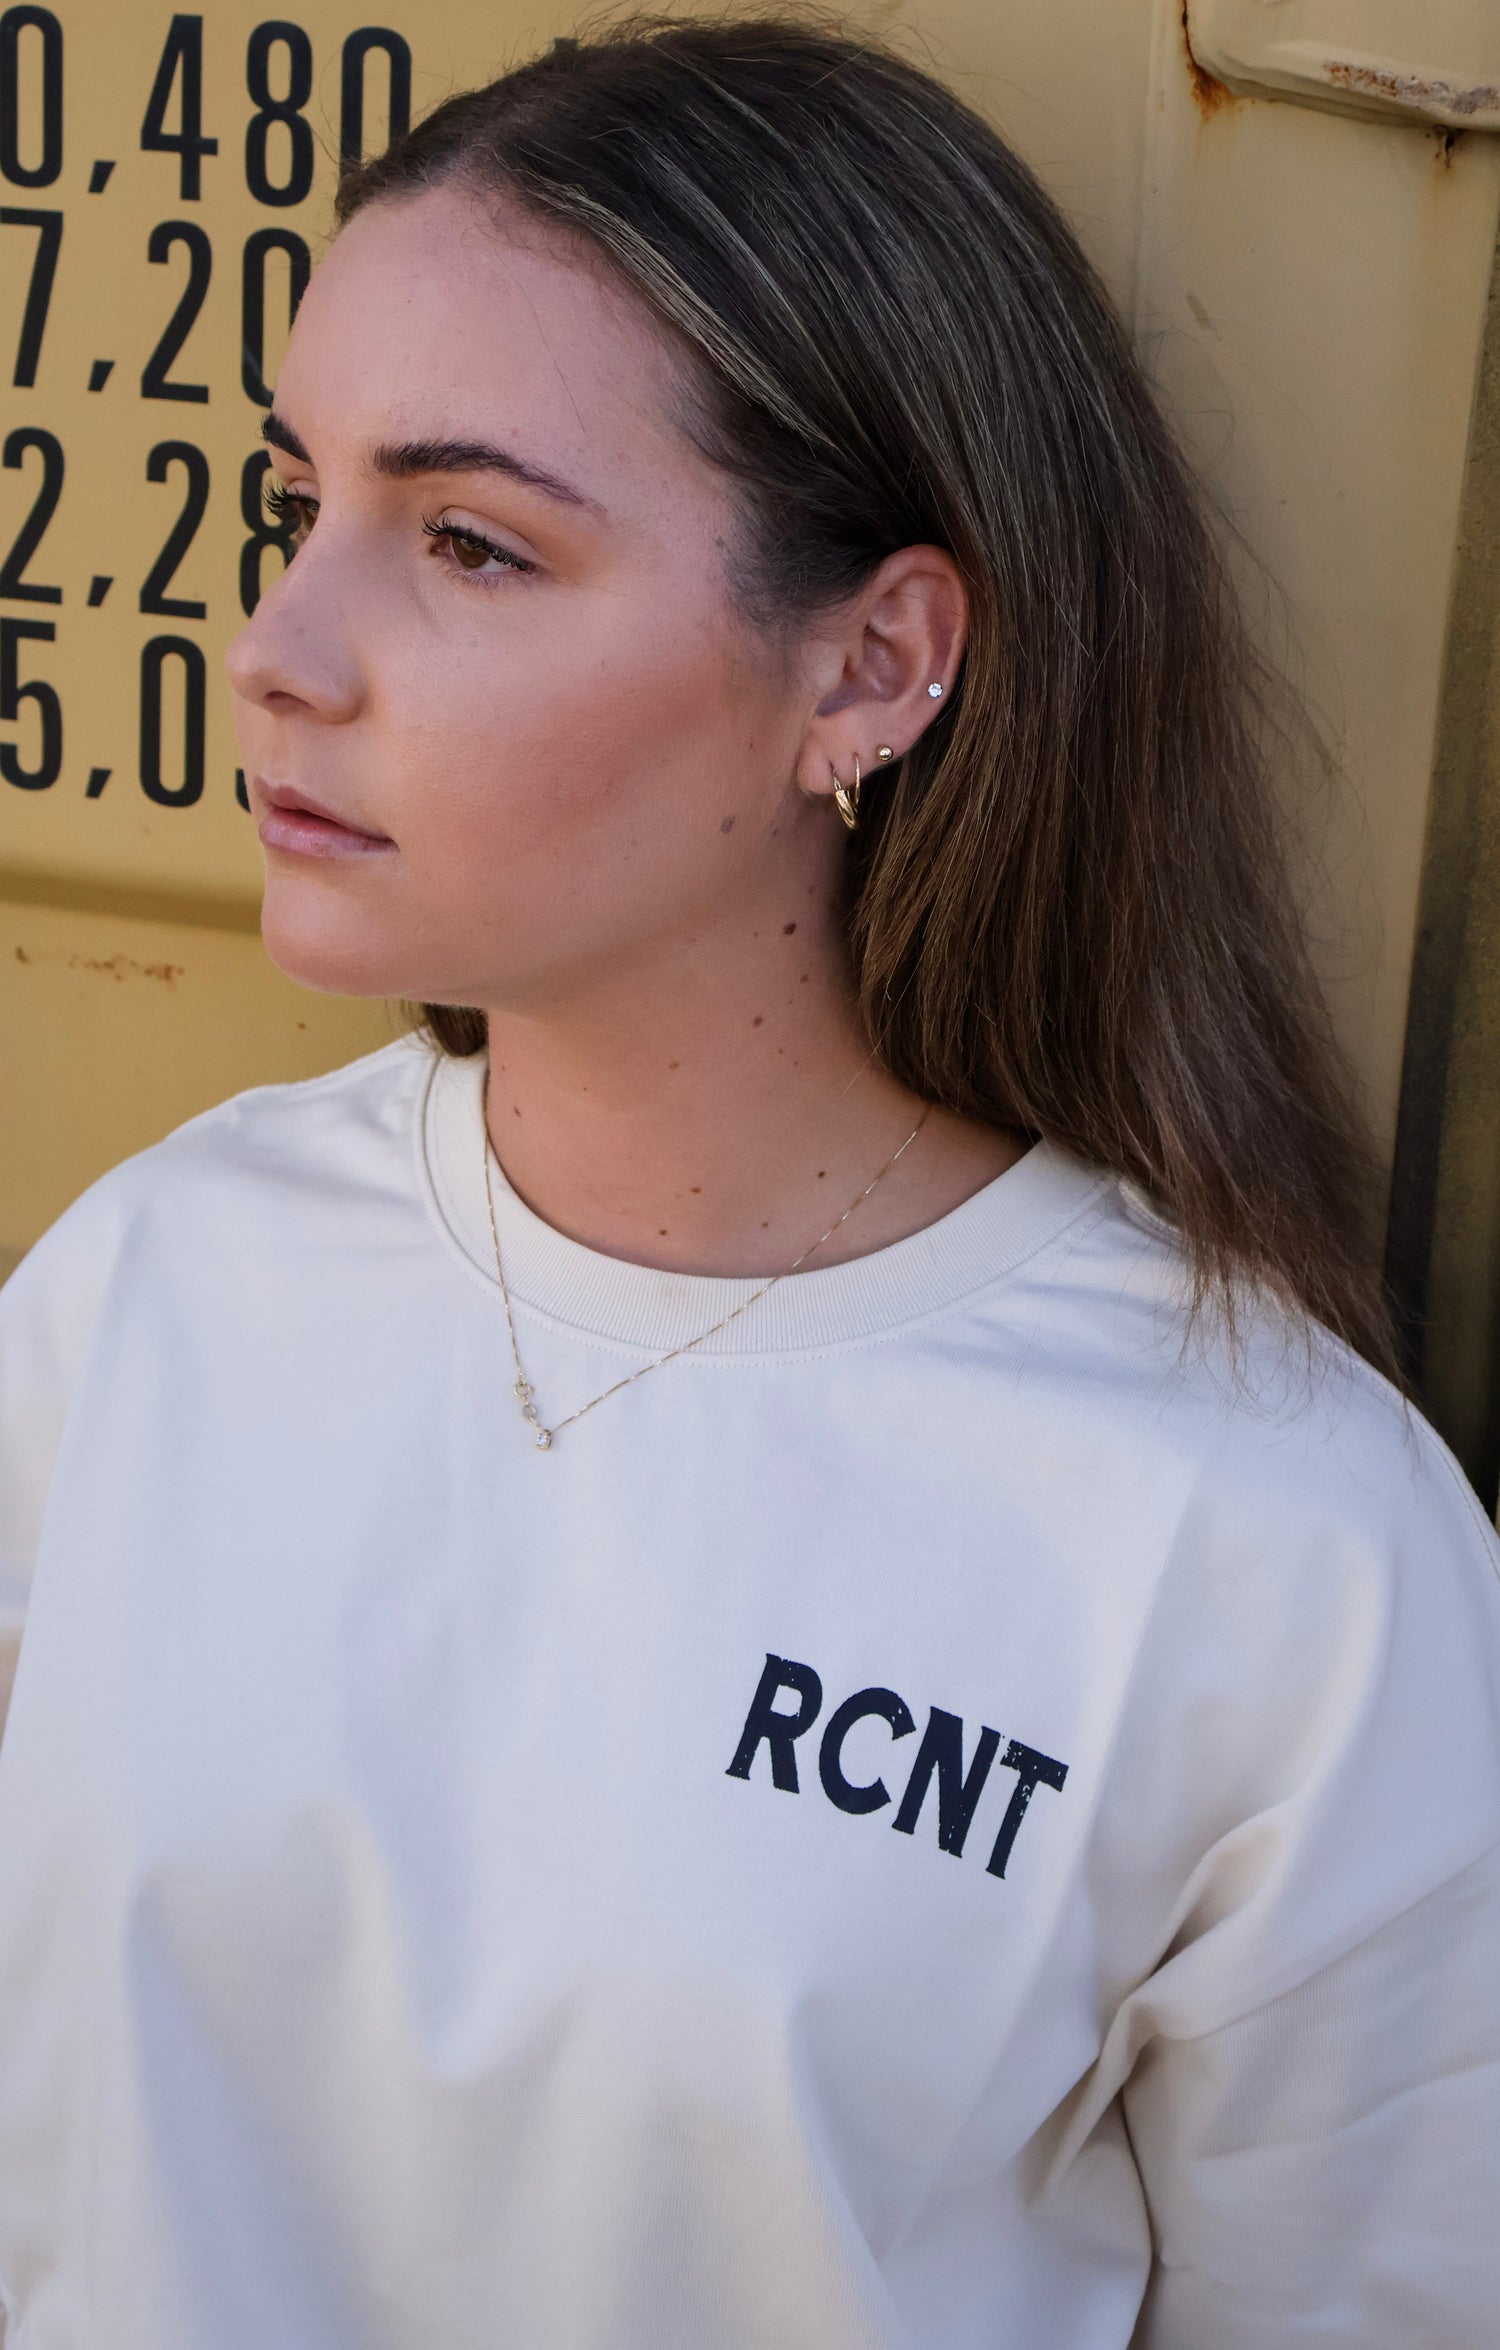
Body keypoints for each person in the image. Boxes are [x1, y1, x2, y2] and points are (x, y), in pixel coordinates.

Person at [0, 14, 1495, 2346]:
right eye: (305, 500)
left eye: (473, 543)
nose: (277, 648)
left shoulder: (1273, 1553)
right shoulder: (152, 1291)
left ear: (877, 661)